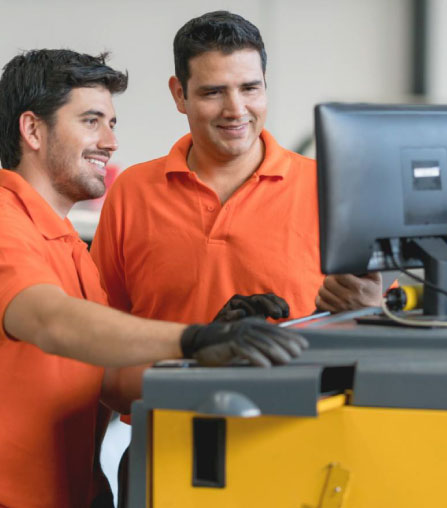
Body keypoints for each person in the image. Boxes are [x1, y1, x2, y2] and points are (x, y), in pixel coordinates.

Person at [0, 49, 306, 507]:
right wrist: (192, 338)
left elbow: (111, 382)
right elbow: (53, 323)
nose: (110, 141)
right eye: (91, 121)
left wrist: (210, 350)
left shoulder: (69, 250)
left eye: (112, 124)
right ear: (33, 130)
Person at [91, 11, 381, 400]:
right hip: (167, 431)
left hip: (301, 431)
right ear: (180, 94)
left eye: (250, 88)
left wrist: (374, 311)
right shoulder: (132, 192)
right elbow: (100, 344)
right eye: (214, 92)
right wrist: (91, 460)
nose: (235, 109)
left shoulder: (331, 187)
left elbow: (382, 342)